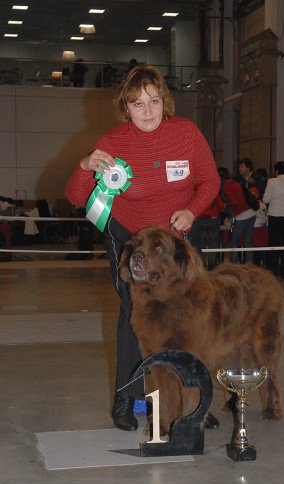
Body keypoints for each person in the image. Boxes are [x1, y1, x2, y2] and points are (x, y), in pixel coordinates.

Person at [65, 64, 220, 432]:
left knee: (190, 318)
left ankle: (194, 400)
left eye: (153, 101)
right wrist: (86, 164)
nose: (147, 111)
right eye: (137, 104)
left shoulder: (186, 133)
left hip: (176, 241)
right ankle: (127, 397)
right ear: (126, 107)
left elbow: (210, 180)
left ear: (164, 100)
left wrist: (191, 210)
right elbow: (74, 196)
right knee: (134, 318)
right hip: (130, 241)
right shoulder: (113, 142)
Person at [187, 184, 224, 270]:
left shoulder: (192, 191)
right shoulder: (210, 188)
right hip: (214, 218)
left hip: (199, 219)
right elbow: (220, 205)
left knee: (200, 244)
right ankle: (212, 268)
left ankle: (201, 268)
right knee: (214, 244)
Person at [222, 171, 256, 264]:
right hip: (251, 213)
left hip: (242, 215)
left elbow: (234, 202)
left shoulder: (226, 186)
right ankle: (249, 264)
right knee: (248, 241)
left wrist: (226, 205)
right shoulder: (237, 184)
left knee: (234, 242)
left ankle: (234, 264)